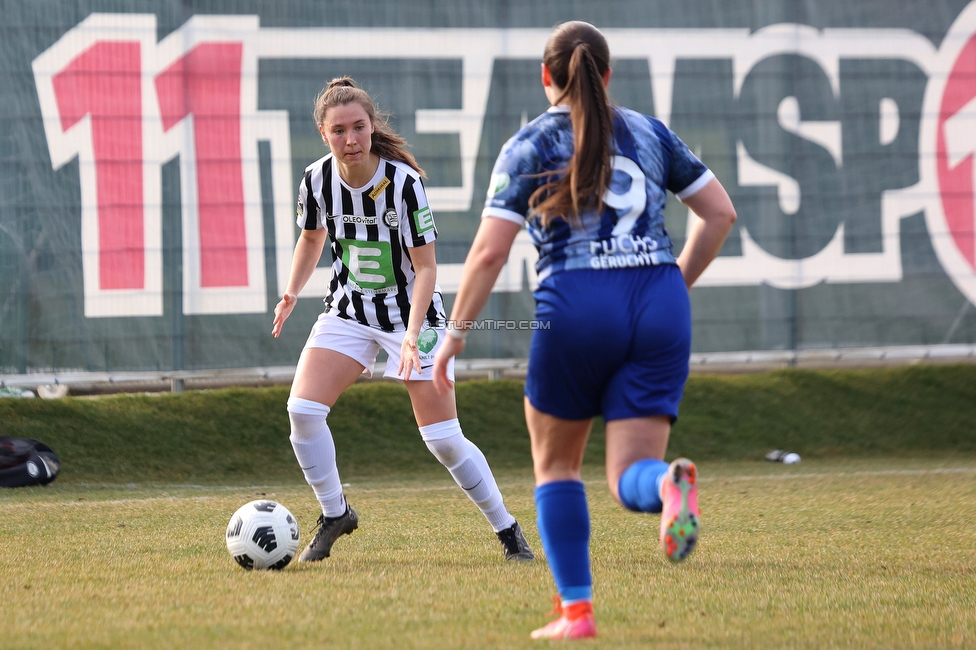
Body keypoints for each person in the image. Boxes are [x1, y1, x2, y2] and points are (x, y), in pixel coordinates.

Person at [432, 22, 737, 640]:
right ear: (606, 75)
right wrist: (672, 286)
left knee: (557, 468)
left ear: (547, 78)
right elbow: (720, 214)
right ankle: (668, 484)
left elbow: (489, 255)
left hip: (576, 303)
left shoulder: (530, 142)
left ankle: (578, 613)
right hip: (659, 299)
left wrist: (455, 333)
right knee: (631, 477)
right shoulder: (650, 133)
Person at [272, 77, 534, 565]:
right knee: (303, 412)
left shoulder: (404, 184)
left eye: (359, 127)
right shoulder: (316, 179)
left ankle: (508, 530)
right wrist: (291, 291)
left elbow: (427, 267)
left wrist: (412, 337)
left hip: (414, 315)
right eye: (338, 131)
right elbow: (311, 239)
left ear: (372, 127)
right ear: (323, 133)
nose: (350, 140)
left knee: (443, 441)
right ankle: (336, 514)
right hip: (349, 310)